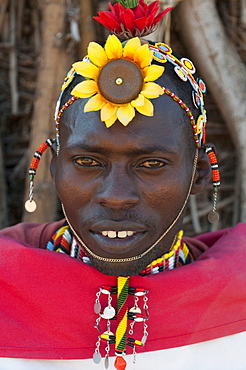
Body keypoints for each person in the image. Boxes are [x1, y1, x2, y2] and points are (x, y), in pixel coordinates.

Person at [0, 1, 246, 369]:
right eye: (87, 162)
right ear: (53, 168)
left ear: (198, 174)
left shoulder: (237, 295)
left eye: (151, 164)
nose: (116, 196)